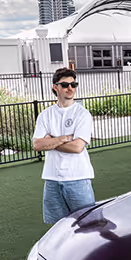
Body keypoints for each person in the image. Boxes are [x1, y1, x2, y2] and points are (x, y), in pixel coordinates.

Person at [33, 67, 95, 223]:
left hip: (78, 178)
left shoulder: (82, 114)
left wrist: (51, 140)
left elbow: (77, 147)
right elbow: (37, 145)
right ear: (55, 87)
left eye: (73, 85)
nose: (70, 88)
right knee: (57, 228)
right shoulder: (45, 115)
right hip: (52, 179)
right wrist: (65, 138)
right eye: (65, 85)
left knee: (87, 225)